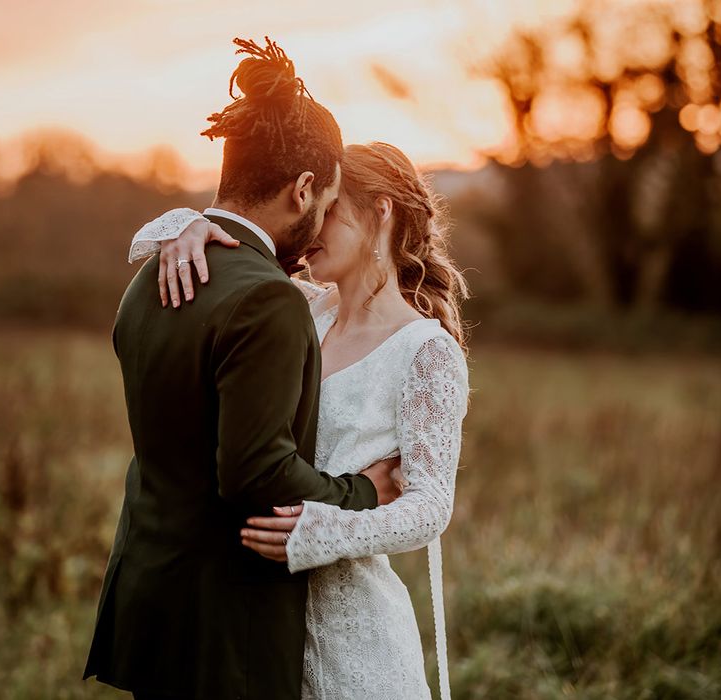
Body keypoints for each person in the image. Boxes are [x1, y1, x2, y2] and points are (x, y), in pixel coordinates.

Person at [82, 37, 403, 700]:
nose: (317, 229)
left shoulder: (153, 275)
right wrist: (365, 493)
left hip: (150, 600)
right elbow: (257, 474)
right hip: (227, 627)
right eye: (324, 203)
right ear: (304, 187)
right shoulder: (267, 301)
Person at [129, 141, 471, 699]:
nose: (311, 223)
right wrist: (189, 229)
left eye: (330, 208)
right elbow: (190, 245)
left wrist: (319, 531)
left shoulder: (426, 352)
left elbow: (430, 508)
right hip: (251, 620)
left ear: (380, 211)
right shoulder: (300, 308)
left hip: (351, 634)